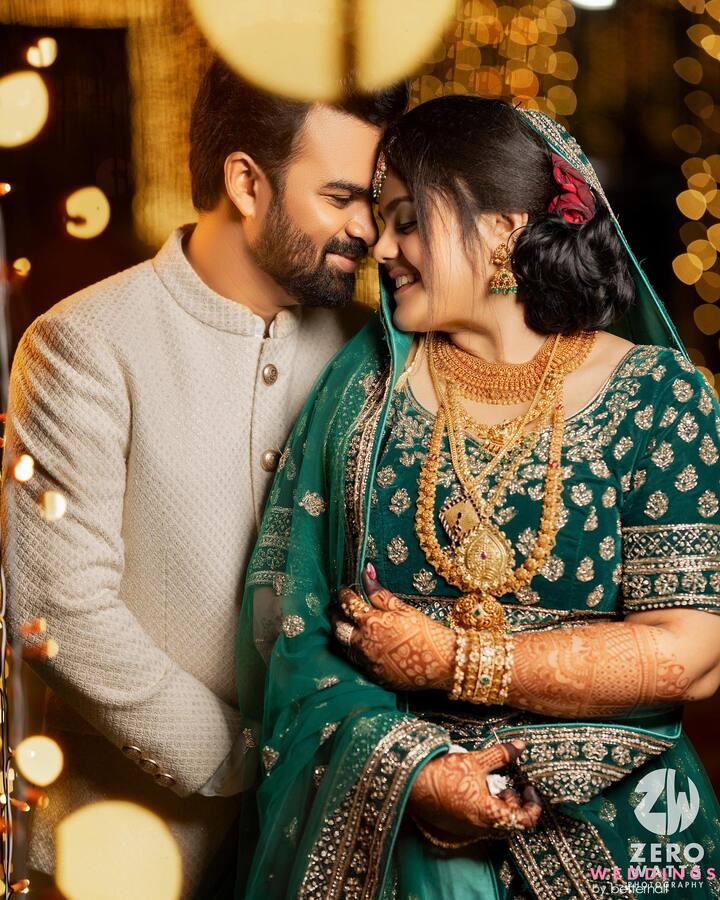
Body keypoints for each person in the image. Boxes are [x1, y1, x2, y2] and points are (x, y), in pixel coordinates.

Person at [235, 96, 720, 898]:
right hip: (397, 833)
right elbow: (298, 635)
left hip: (621, 833)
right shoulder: (367, 390)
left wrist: (455, 659)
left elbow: (692, 653)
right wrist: (417, 776)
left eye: (406, 221)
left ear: (502, 226)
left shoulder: (657, 397)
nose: (379, 247)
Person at [0, 58, 408, 897]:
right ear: (246, 183)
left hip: (316, 854)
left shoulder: (373, 347)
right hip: (117, 850)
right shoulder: (84, 340)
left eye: (374, 200)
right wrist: (258, 759)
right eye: (340, 199)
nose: (368, 230)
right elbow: (56, 609)